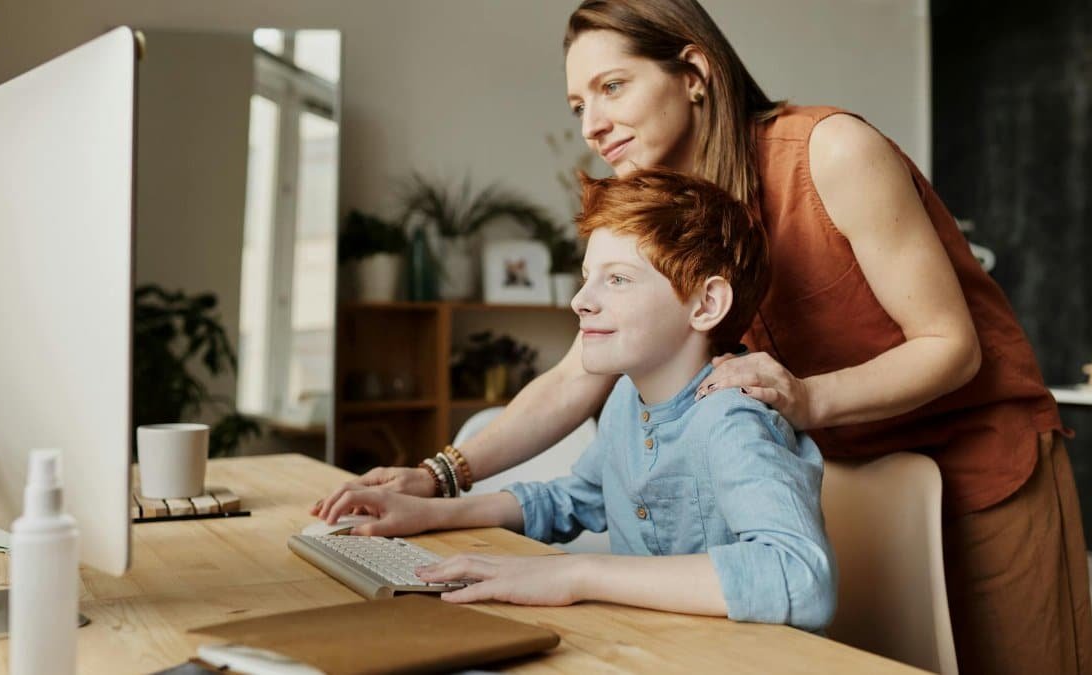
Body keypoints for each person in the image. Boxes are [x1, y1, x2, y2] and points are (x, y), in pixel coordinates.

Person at [315, 1, 1092, 672]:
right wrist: (438, 475)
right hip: (841, 468)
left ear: (694, 72)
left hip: (981, 461)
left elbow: (950, 345)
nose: (593, 123)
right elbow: (575, 375)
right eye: (577, 104)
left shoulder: (831, 151)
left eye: (612, 86)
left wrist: (806, 397)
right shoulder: (654, 201)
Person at [317, 169, 836, 629]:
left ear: (706, 304)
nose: (581, 300)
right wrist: (429, 512)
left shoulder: (733, 417)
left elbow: (800, 577)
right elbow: (576, 499)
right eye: (588, 277)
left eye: (617, 279)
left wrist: (577, 574)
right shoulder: (626, 402)